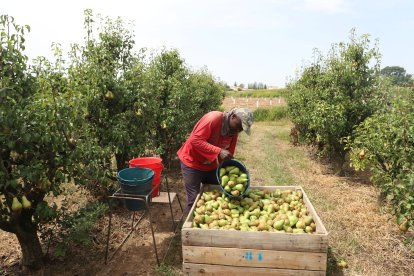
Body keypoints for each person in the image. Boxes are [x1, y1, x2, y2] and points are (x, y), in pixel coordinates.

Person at [177, 108, 254, 212]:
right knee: (194, 199)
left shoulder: (233, 130)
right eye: (239, 126)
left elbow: (228, 155)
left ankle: (211, 221)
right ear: (233, 116)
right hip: (192, 162)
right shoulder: (213, 119)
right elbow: (195, 140)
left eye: (242, 129)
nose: (239, 130)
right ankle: (188, 226)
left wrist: (235, 172)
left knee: (217, 193)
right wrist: (218, 151)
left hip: (209, 164)